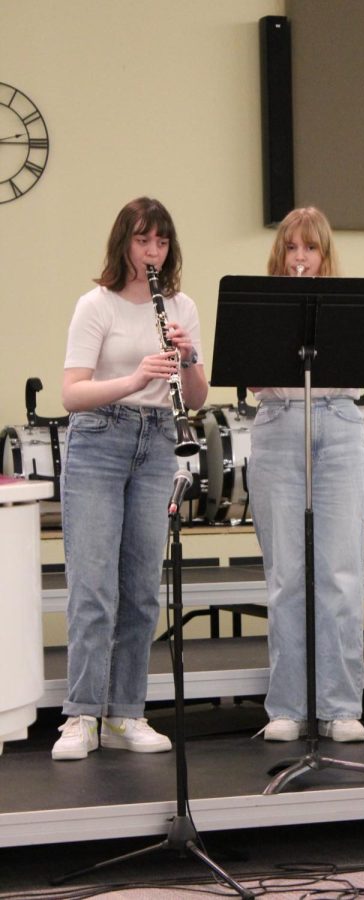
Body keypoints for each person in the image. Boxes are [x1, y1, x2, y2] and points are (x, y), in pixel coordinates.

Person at [52, 197, 208, 760]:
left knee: (142, 589)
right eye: (144, 240)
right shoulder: (96, 305)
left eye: (162, 242)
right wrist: (135, 375)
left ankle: (126, 712)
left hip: (159, 440)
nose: (153, 252)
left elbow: (197, 397)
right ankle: (80, 716)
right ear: (125, 244)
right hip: (99, 438)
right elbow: (72, 393)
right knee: (93, 588)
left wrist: (187, 360)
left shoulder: (181, 305)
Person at [248, 206, 364, 743]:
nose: (301, 258)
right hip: (278, 425)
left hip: (340, 425)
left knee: (341, 576)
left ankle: (340, 707)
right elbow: (251, 378)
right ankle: (289, 708)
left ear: (325, 255)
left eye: (311, 249)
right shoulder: (260, 304)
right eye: (292, 248)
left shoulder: (347, 306)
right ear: (281, 255)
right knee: (288, 579)